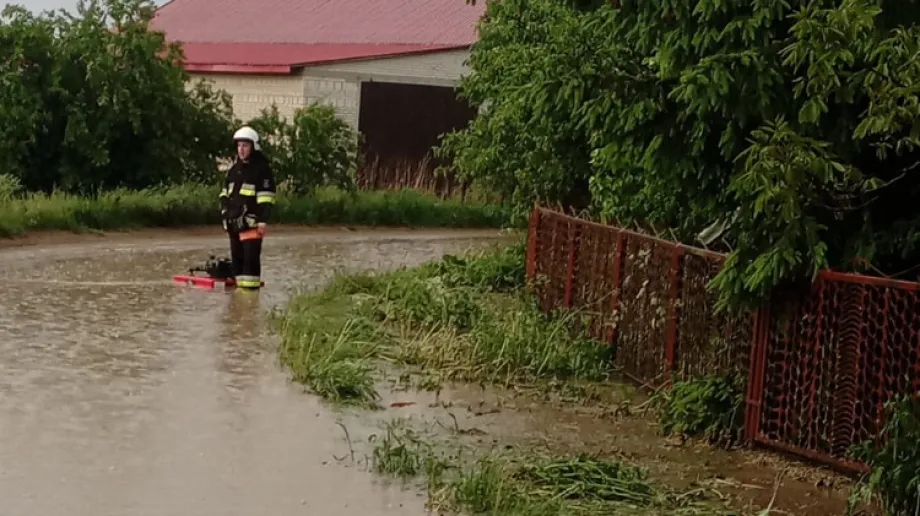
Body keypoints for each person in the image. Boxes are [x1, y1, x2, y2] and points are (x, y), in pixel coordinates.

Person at [219, 126, 276, 290]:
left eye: (245, 145)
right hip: (234, 225)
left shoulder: (262, 170)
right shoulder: (233, 170)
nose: (241, 149)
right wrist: (224, 214)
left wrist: (262, 220)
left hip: (251, 224)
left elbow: (267, 197)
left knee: (250, 266)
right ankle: (238, 306)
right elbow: (224, 195)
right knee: (237, 265)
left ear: (253, 147)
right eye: (239, 146)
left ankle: (250, 305)